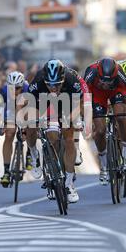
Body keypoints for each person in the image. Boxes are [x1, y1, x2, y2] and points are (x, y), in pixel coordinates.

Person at [26, 60, 89, 203]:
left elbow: (81, 103)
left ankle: (69, 184)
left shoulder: (72, 78)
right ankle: (34, 154)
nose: (53, 88)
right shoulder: (39, 80)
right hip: (44, 103)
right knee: (32, 127)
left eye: (57, 84)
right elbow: (30, 104)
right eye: (50, 85)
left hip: (69, 103)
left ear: (63, 79)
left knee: (68, 137)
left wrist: (73, 120)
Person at [84, 57, 126, 185]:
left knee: (121, 117)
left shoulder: (120, 74)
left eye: (109, 81)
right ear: (98, 73)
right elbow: (84, 98)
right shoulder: (91, 72)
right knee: (100, 130)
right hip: (97, 94)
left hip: (115, 92)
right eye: (102, 80)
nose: (105, 84)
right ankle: (103, 164)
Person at [0, 71, 32, 187]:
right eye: (12, 88)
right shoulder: (4, 91)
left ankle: (30, 154)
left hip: (25, 109)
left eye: (18, 88)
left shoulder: (27, 89)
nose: (15, 91)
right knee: (9, 134)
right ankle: (6, 172)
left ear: (22, 86)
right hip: (10, 111)